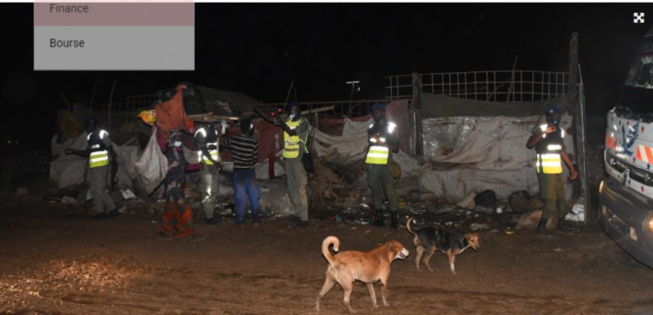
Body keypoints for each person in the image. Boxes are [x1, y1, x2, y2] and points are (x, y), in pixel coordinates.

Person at [526, 105, 578, 234]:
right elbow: (530, 144)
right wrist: (544, 133)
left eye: (558, 116)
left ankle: (560, 222)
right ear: (548, 116)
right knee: (550, 199)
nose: (557, 118)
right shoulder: (541, 129)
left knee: (562, 199)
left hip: (556, 171)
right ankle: (541, 227)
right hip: (545, 171)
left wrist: (571, 168)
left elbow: (562, 150)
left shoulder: (559, 131)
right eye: (554, 115)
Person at [65, 116, 118, 219]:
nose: (86, 127)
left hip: (102, 165)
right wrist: (73, 151)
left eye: (87, 124)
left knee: (99, 190)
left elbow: (111, 149)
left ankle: (113, 209)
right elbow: (88, 152)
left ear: (93, 123)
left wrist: (114, 165)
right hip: (93, 167)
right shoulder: (89, 137)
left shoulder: (102, 134)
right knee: (94, 190)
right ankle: (100, 212)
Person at [363, 103, 400, 230]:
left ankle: (394, 220)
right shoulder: (372, 127)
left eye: (378, 112)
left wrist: (381, 142)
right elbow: (371, 146)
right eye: (374, 113)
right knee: (375, 192)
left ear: (383, 112)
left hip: (386, 165)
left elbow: (396, 148)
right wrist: (365, 160)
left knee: (390, 192)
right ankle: (379, 219)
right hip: (373, 165)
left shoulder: (390, 128)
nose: (375, 115)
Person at [221, 118, 261, 226]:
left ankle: (240, 220)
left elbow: (223, 143)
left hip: (238, 172)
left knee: (240, 197)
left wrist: (223, 131)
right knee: (254, 196)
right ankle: (256, 218)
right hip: (250, 172)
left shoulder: (234, 140)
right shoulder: (253, 142)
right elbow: (254, 158)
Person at [277, 101, 310, 227]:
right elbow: (273, 120)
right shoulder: (287, 122)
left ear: (299, 111)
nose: (292, 112)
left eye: (295, 109)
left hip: (299, 159)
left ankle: (304, 218)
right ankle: (298, 214)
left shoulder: (303, 122)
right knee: (292, 189)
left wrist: (280, 121)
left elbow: (292, 133)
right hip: (289, 159)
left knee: (300, 189)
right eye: (291, 109)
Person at [159, 130, 197, 238]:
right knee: (183, 207)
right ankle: (189, 231)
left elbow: (184, 166)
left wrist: (198, 166)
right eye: (177, 138)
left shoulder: (178, 151)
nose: (179, 140)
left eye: (180, 138)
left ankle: (165, 230)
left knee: (170, 207)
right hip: (173, 184)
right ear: (171, 139)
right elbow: (164, 167)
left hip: (177, 184)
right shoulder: (170, 152)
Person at [194, 122, 223, 225]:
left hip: (214, 165)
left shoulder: (214, 132)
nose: (217, 125)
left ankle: (210, 212)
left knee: (214, 190)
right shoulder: (201, 132)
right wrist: (215, 162)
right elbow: (203, 149)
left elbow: (219, 148)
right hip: (205, 165)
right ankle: (208, 216)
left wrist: (219, 135)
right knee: (207, 190)